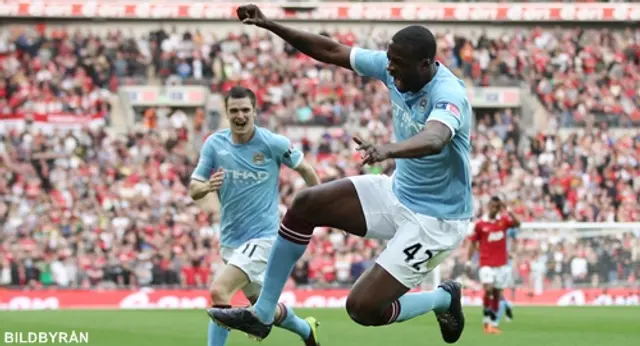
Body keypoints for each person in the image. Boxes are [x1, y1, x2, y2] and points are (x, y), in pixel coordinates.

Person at [208, 4, 473, 344]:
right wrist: (270, 24)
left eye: (397, 64)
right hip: (398, 193)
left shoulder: (449, 94)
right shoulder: (394, 68)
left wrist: (388, 149)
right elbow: (331, 50)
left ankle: (444, 298)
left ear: (425, 65)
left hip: (437, 220)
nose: (389, 69)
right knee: (305, 204)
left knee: (362, 308)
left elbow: (436, 138)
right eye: (388, 60)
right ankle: (261, 314)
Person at [189, 86, 321, 346]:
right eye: (234, 110)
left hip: (264, 237)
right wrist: (207, 186)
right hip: (230, 240)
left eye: (245, 110)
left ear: (255, 112)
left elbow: (306, 171)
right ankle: (307, 330)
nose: (240, 115)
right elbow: (195, 188)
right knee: (263, 310)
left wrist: (317, 205)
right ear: (227, 113)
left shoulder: (272, 143)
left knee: (220, 290)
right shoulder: (215, 144)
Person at [467, 196, 521, 334]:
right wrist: (468, 261)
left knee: (497, 293)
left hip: (501, 264)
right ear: (488, 206)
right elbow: (473, 243)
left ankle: (492, 324)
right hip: (486, 263)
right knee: (489, 289)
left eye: (497, 207)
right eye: (492, 206)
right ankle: (486, 319)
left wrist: (508, 209)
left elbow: (518, 224)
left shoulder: (503, 221)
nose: (494, 209)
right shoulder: (480, 224)